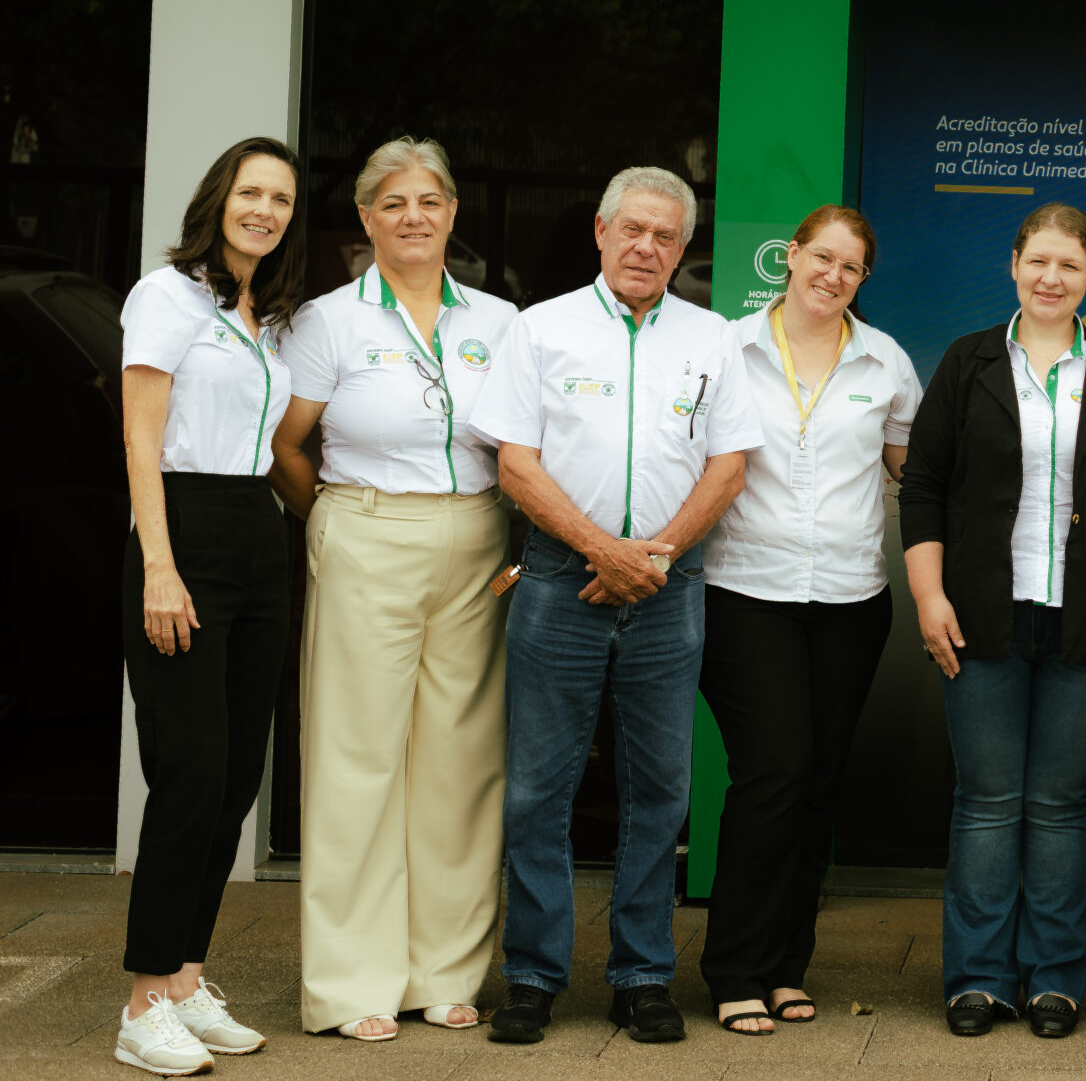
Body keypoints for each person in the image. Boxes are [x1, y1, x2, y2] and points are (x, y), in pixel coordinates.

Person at [466, 165, 758, 1046]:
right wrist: (603, 551)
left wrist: (653, 557)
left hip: (668, 590)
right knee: (539, 791)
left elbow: (729, 467)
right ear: (599, 230)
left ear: (683, 248)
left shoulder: (713, 338)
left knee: (660, 791)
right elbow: (516, 463)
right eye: (633, 229)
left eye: (667, 236)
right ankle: (533, 975)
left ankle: (641, 976)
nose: (648, 247)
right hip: (560, 579)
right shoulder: (539, 328)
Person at [270, 137, 520, 1040]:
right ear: (367, 217)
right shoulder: (328, 322)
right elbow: (287, 448)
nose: (413, 216)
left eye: (429, 200)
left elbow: (522, 447)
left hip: (477, 539)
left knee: (459, 762)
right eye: (393, 202)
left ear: (453, 213)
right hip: (366, 526)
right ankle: (352, 983)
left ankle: (446, 972)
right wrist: (337, 524)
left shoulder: (499, 319)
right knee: (356, 759)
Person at [900, 202, 1086, 1040]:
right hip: (981, 615)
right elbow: (923, 486)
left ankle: (1054, 978)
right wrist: (929, 595)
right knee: (986, 801)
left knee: (1059, 805)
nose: (1051, 277)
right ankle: (977, 978)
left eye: (1069, 265)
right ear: (1014, 262)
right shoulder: (968, 359)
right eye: (1037, 260)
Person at [697, 204, 922, 1036]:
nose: (833, 275)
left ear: (864, 278)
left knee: (819, 783)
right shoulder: (728, 347)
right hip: (745, 590)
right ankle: (734, 968)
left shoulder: (884, 360)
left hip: (850, 600)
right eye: (821, 257)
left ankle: (787, 966)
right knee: (776, 770)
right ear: (790, 257)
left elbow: (914, 470)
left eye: (851, 266)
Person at [114, 136, 308, 1077]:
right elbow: (140, 437)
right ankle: (142, 997)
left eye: (280, 198)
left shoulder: (266, 314)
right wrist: (159, 562)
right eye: (251, 192)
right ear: (218, 198)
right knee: (189, 770)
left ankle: (186, 979)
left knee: (235, 777)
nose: (265, 209)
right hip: (182, 528)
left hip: (254, 531)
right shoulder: (166, 297)